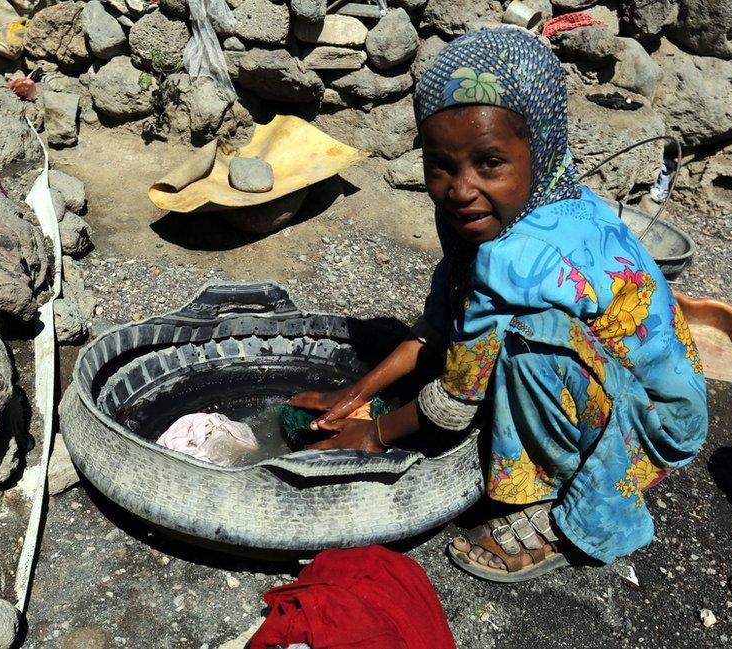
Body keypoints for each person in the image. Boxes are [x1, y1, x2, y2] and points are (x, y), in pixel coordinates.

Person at [289, 27, 708, 582]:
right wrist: (358, 391)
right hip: (625, 387)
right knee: (509, 342)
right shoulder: (534, 202)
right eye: (440, 164)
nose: (461, 189)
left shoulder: (519, 254)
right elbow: (441, 325)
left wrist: (374, 434)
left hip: (651, 428)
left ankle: (568, 513)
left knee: (525, 348)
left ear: (541, 148)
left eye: (490, 163)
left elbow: (457, 398)